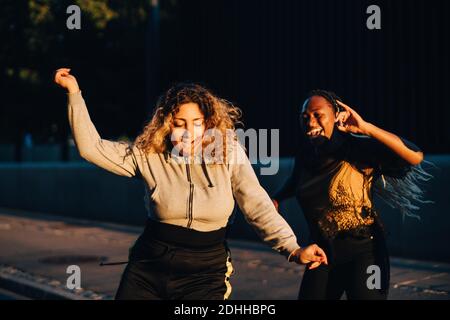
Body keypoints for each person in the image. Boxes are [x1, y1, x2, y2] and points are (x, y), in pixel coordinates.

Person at [53, 68, 328, 300]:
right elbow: (91, 148)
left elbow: (257, 205)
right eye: (179, 123)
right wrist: (74, 94)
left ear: (208, 122)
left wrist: (292, 248)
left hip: (205, 274)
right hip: (148, 268)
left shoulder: (228, 152)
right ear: (166, 124)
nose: (189, 132)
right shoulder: (149, 154)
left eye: (197, 122)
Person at [273, 90, 429, 300]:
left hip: (366, 253)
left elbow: (415, 156)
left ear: (335, 115)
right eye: (305, 117)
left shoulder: (356, 148)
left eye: (318, 115)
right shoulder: (306, 154)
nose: (310, 122)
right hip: (323, 254)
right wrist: (276, 198)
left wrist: (365, 128)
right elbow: (295, 183)